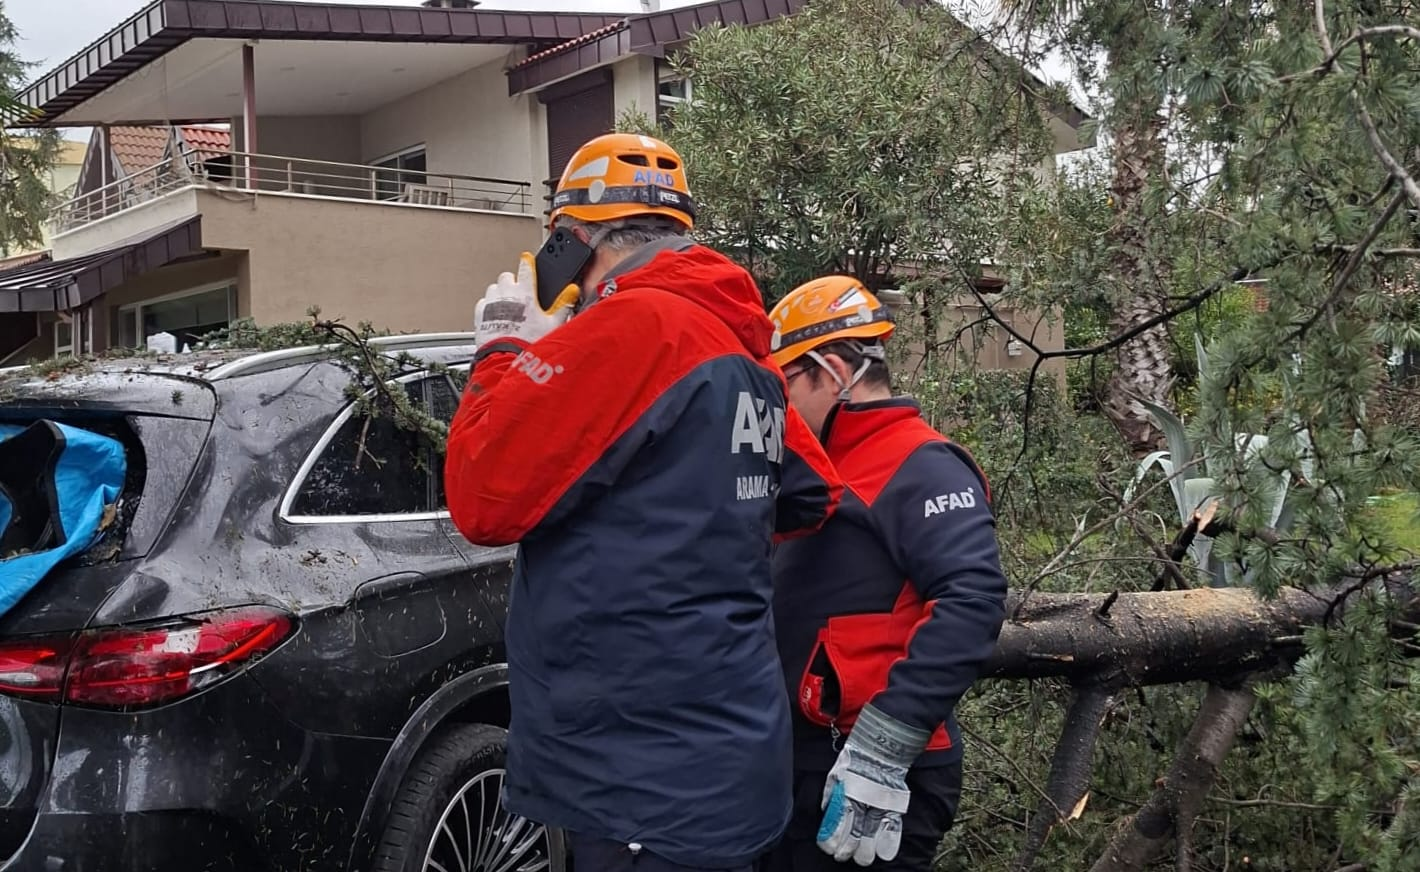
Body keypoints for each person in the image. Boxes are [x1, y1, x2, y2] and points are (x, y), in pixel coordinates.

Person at [443, 133, 845, 872]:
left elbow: (481, 500)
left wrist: (503, 350)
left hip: (636, 770)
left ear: (572, 239)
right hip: (729, 758)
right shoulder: (736, 346)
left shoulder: (630, 330)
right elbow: (811, 494)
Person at [758, 275, 1009, 872]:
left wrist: (886, 742)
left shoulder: (923, 465)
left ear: (834, 369)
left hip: (880, 771)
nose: (779, 406)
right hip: (805, 756)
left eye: (784, 383)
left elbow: (973, 598)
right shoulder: (816, 465)